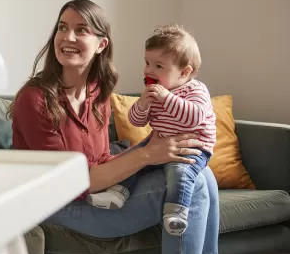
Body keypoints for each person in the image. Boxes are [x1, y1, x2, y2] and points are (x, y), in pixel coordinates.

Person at [8, 0, 219, 254]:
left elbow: (103, 159)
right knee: (193, 182)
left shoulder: (98, 92)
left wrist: (150, 151)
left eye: (81, 30)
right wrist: (147, 154)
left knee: (201, 171)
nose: (68, 37)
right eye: (62, 28)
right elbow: (71, 183)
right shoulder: (34, 100)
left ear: (101, 44)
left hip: (94, 190)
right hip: (57, 205)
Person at [86, 25, 216, 237]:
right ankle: (118, 192)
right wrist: (143, 104)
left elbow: (194, 117)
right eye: (147, 63)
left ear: (185, 72)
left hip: (191, 148)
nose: (149, 70)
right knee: (129, 159)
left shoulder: (195, 90)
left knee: (180, 173)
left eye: (158, 66)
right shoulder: (154, 92)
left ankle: (176, 211)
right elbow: (136, 121)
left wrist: (166, 98)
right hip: (160, 141)